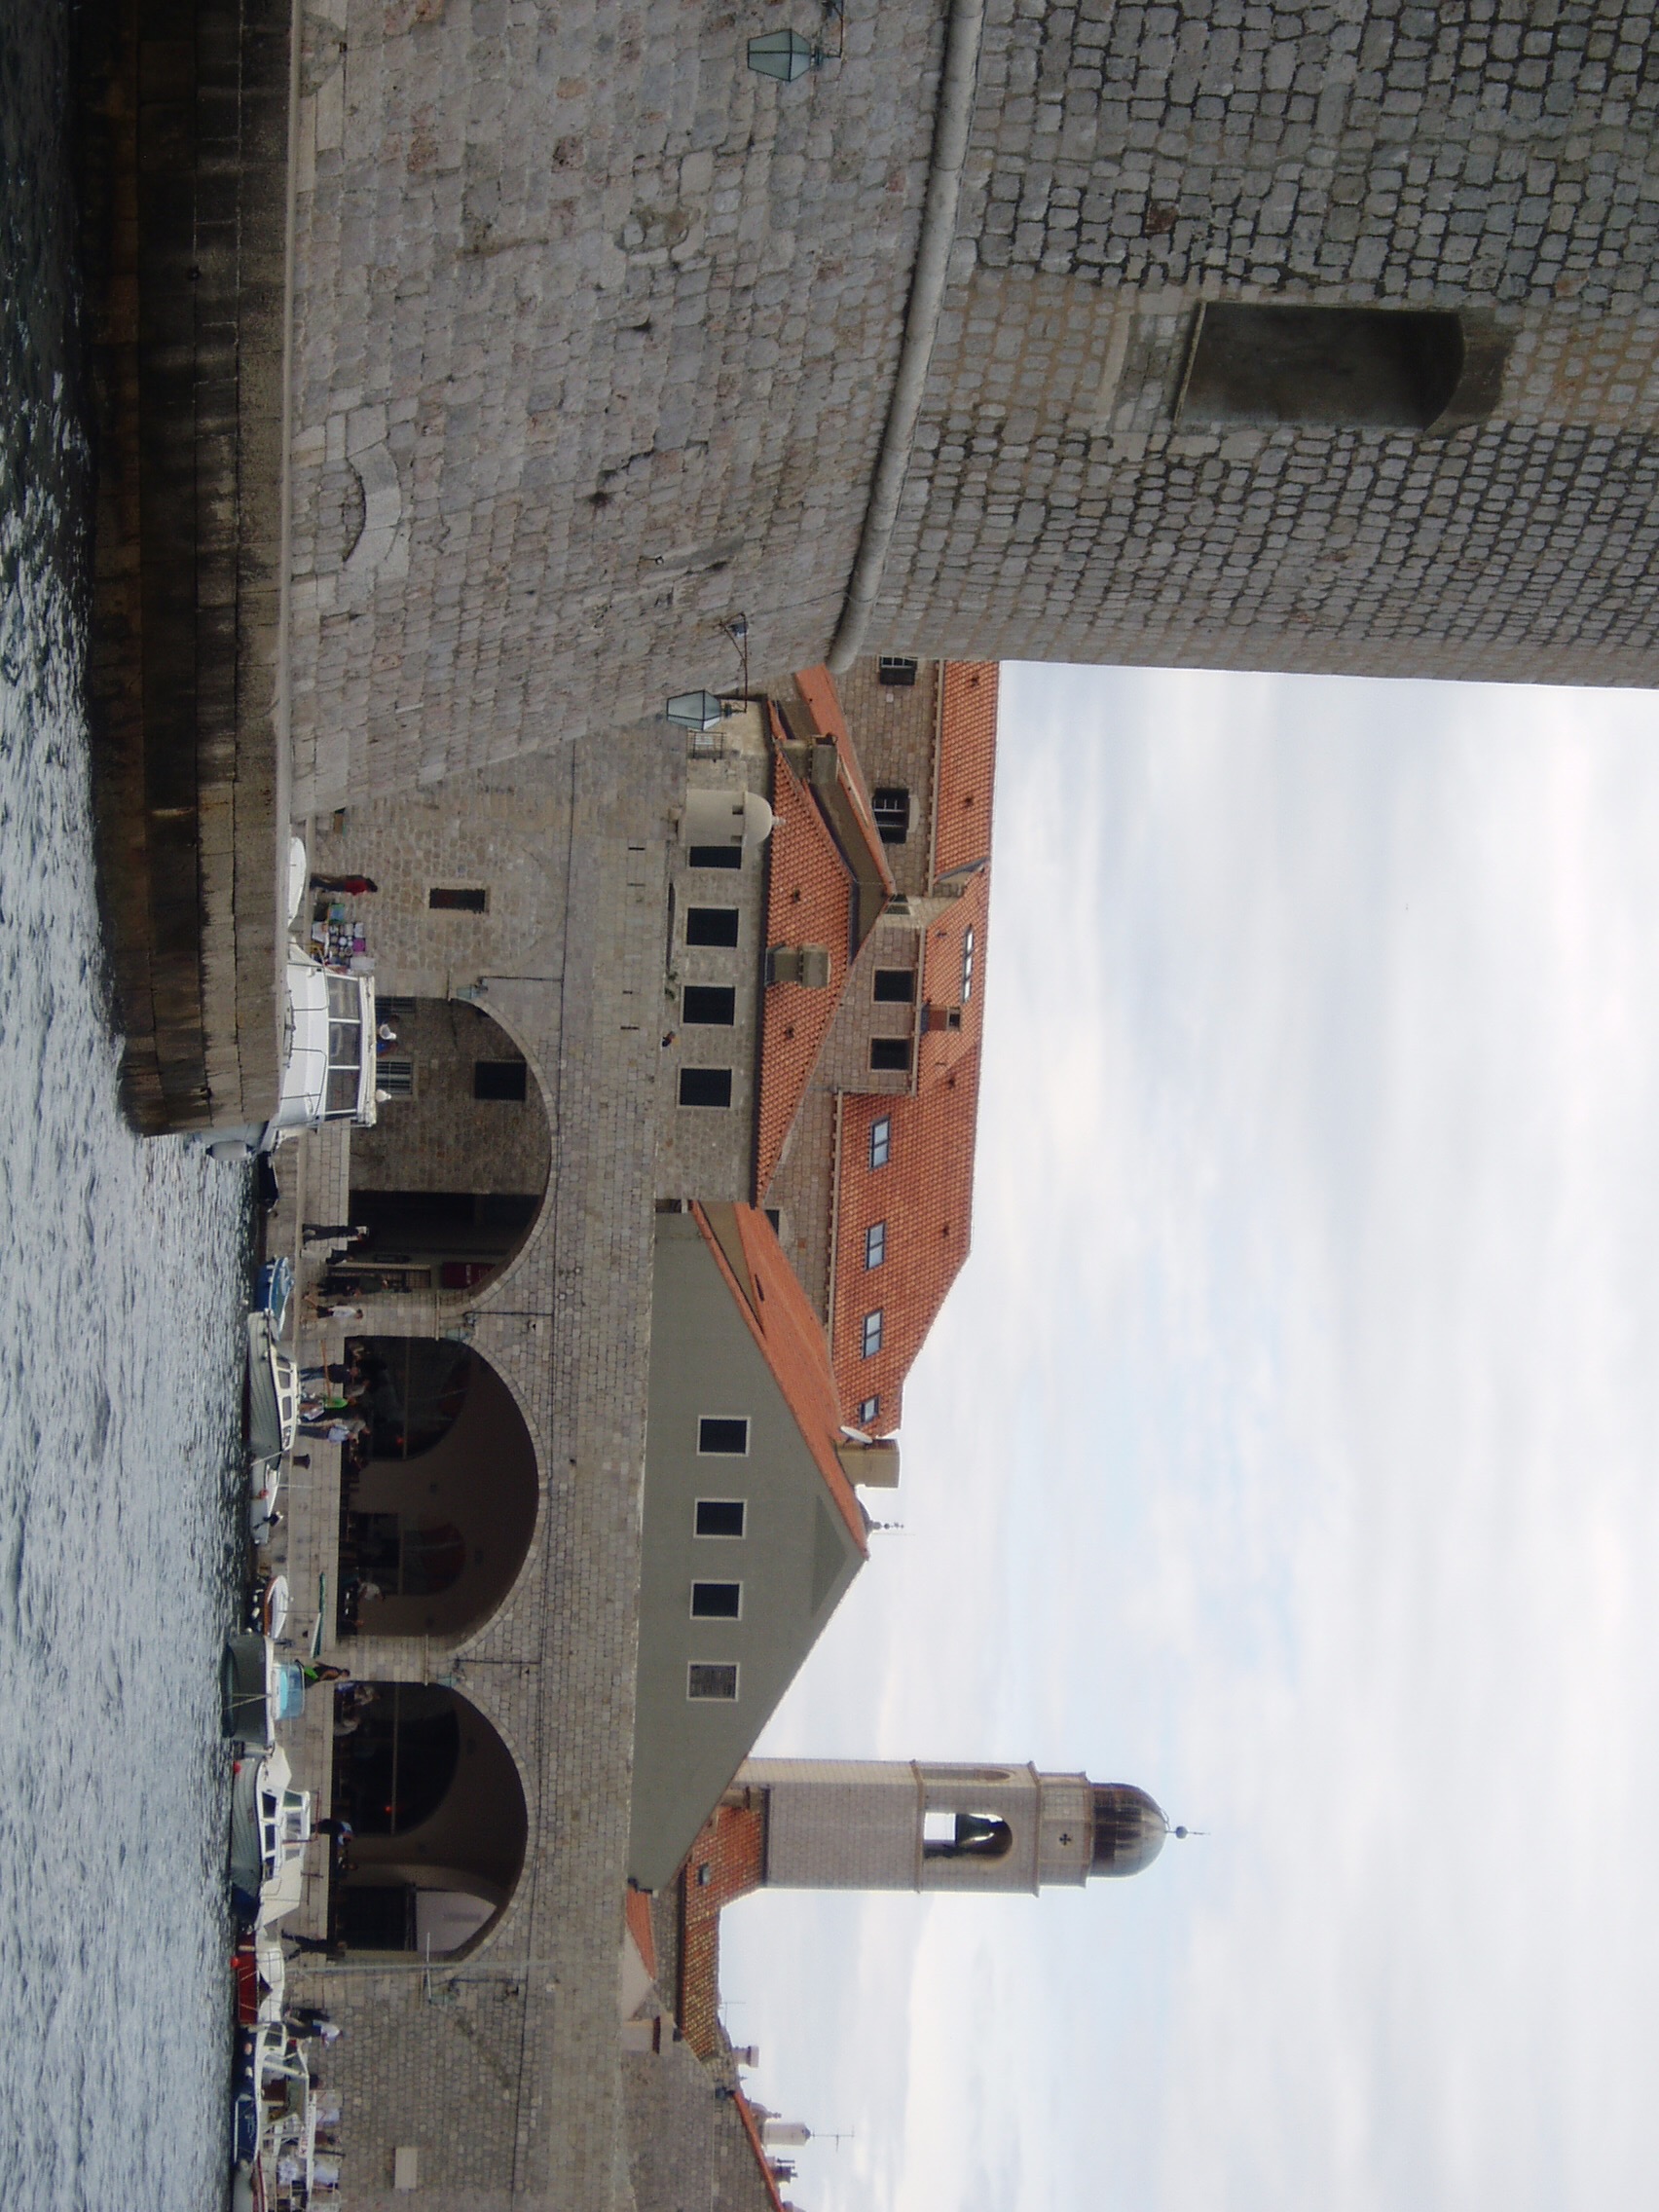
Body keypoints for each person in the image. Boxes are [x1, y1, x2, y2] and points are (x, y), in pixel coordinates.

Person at [310, 873, 379, 894]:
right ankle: (315, 882)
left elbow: (355, 876)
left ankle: (316, 876)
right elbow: (354, 891)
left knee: (330, 879)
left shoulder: (363, 879)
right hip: (345, 886)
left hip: (345, 879)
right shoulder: (363, 887)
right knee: (329, 886)